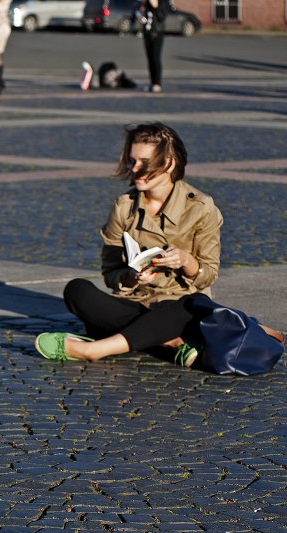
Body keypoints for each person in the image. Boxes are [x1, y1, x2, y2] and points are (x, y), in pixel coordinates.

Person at [36, 123, 219, 367]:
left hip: (179, 303)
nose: (135, 169)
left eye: (145, 162)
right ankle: (171, 343)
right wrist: (131, 277)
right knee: (77, 290)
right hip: (135, 303)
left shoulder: (201, 207)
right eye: (132, 161)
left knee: (185, 309)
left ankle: (95, 349)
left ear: (169, 163)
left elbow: (209, 274)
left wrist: (186, 260)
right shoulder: (124, 207)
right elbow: (110, 272)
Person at [138, 0, 166, 92]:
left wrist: (156, 6)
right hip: (147, 34)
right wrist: (142, 18)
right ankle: (152, 82)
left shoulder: (162, 2)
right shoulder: (146, 2)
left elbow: (162, 17)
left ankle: (157, 83)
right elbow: (142, 13)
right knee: (149, 59)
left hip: (157, 34)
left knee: (155, 58)